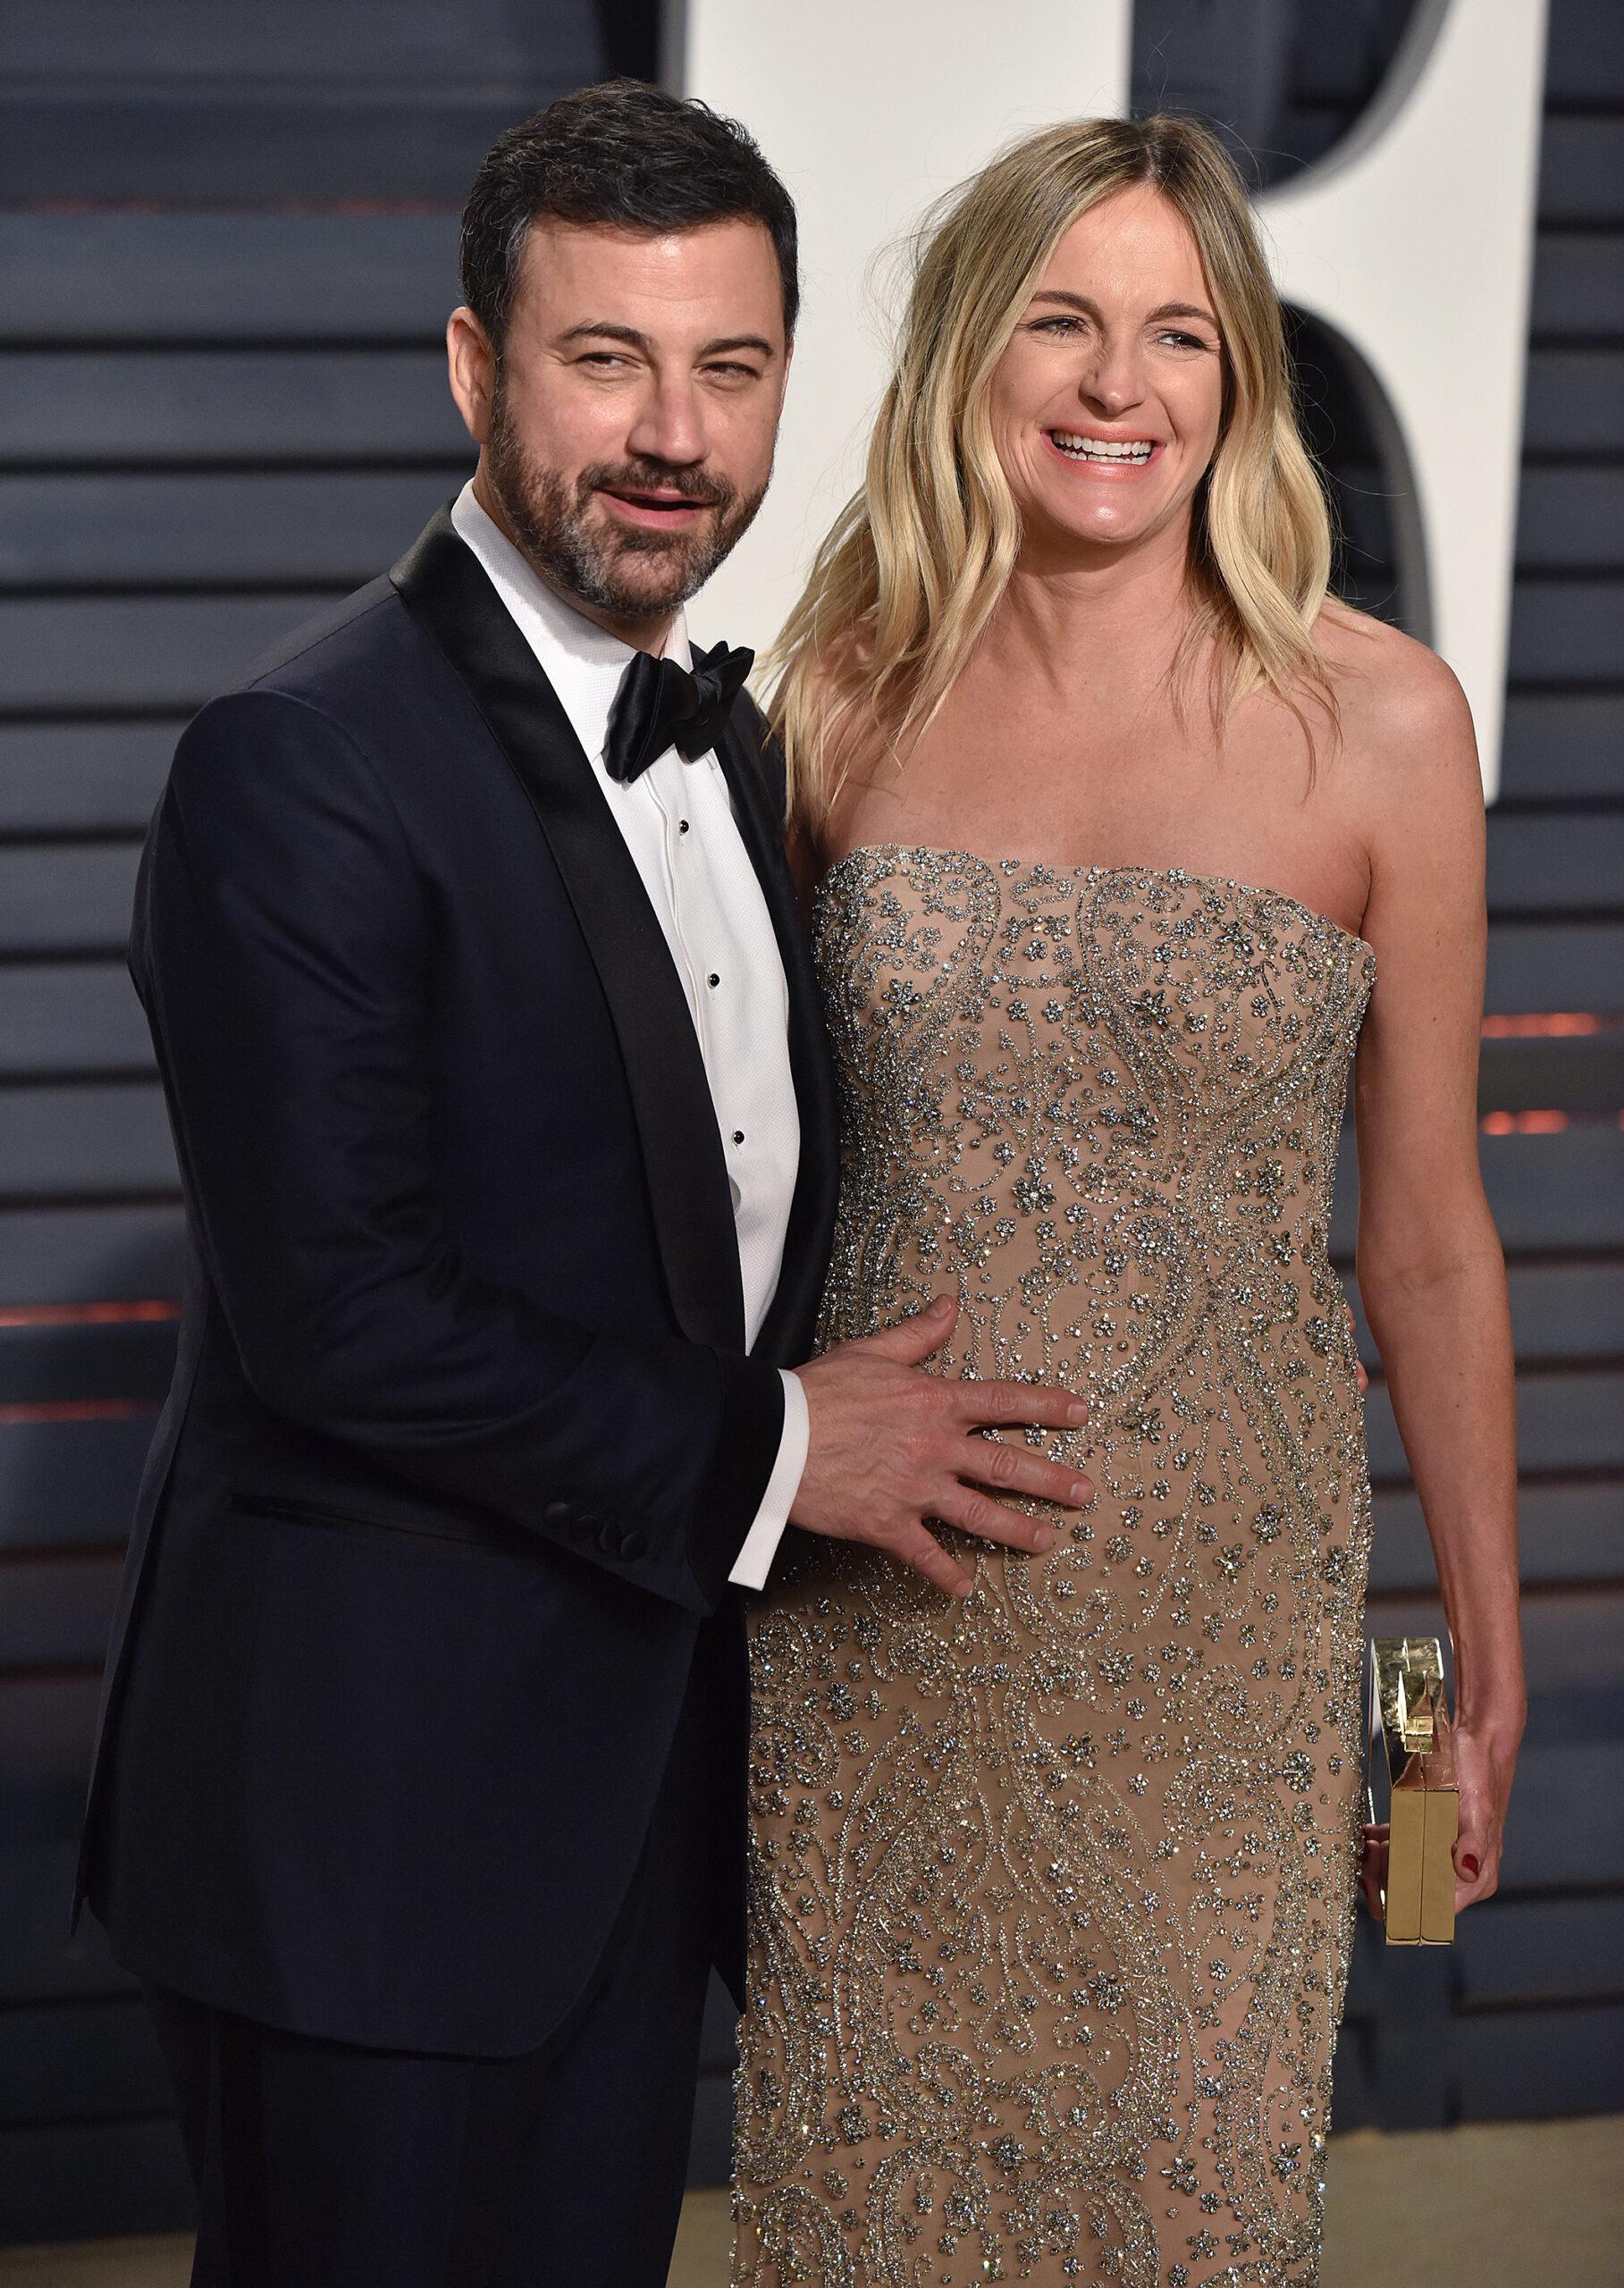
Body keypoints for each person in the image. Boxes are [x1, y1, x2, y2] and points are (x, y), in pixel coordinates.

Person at [76, 80, 1097, 2288]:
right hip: (363, 1821)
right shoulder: (299, 761)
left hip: (630, 1793)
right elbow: (344, 1314)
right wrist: (791, 1446)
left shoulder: (735, 736)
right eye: (605, 359)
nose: (673, 436)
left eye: (731, 366)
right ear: (474, 367)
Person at [733, 114, 1525, 2286]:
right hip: (882, 1621)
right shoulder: (841, 690)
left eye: (1180, 332)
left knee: (1194, 2218)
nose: (1118, 383)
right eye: (1062, 321)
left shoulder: (1384, 720)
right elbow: (733, 1171)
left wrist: (1482, 1647)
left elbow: (1429, 1234)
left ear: (1241, 376)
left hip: (1224, 1638)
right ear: (970, 356)